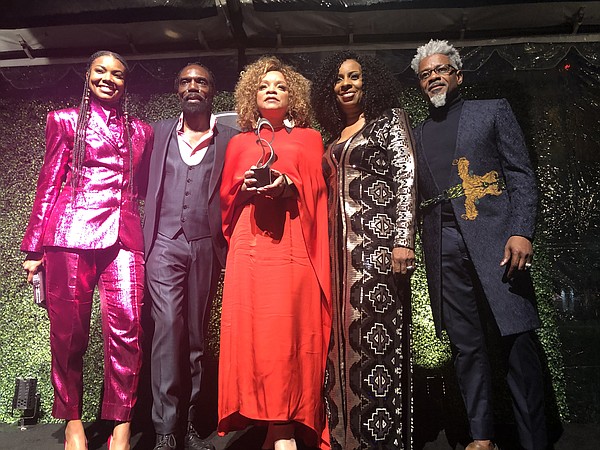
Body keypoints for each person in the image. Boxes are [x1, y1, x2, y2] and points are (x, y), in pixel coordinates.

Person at [410, 39, 547, 450]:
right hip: (442, 247)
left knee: (517, 342)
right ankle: (481, 437)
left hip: (498, 242)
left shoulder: (491, 111)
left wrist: (522, 230)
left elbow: (521, 174)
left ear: (457, 75)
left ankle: (535, 441)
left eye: (440, 69)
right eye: (424, 73)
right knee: (466, 346)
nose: (433, 76)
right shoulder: (415, 135)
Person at [21, 50, 154, 450]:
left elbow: (140, 187)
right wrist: (33, 247)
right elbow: (49, 184)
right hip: (68, 233)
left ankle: (121, 424)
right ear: (88, 75)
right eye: (101, 71)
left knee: (129, 329)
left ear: (126, 83)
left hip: (125, 236)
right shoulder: (64, 120)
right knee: (68, 333)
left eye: (117, 74)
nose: (108, 79)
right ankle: (73, 422)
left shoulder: (142, 131)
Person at [217, 56, 331, 450]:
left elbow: (319, 193)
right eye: (264, 84)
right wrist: (245, 187)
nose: (271, 89)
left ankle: (283, 430)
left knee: (287, 334)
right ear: (252, 93)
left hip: (293, 247)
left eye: (280, 85)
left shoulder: (311, 139)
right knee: (257, 337)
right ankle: (273, 427)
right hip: (249, 250)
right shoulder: (237, 143)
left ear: (292, 96)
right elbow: (225, 200)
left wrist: (288, 184)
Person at [311, 51, 416, 450]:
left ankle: (380, 440)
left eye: (354, 76)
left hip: (377, 251)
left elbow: (406, 175)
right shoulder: (333, 135)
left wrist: (403, 239)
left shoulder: (388, 122)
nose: (346, 84)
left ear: (367, 82)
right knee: (340, 342)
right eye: (339, 78)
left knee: (376, 341)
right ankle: (343, 438)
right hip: (337, 257)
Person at [143, 62, 238, 450]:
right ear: (177, 90)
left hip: (204, 244)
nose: (193, 86)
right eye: (185, 81)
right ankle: (165, 429)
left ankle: (190, 425)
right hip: (163, 242)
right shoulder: (158, 132)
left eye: (201, 81)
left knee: (197, 336)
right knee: (167, 328)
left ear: (213, 91)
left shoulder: (231, 138)